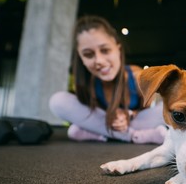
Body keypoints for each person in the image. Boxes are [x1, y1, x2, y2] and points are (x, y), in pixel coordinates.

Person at [49, 15, 166, 144]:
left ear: (118, 49)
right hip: (107, 123)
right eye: (88, 54)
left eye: (105, 50)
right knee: (57, 101)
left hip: (133, 121)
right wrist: (111, 117)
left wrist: (129, 114)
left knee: (165, 108)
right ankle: (134, 136)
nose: (99, 61)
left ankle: (102, 135)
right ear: (81, 58)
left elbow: (146, 110)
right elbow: (95, 115)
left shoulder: (137, 77)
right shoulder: (87, 83)